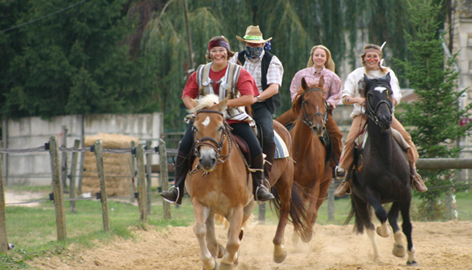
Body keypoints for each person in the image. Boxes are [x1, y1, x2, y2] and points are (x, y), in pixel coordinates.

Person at [160, 36, 274, 204]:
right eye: (214, 51)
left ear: (227, 53)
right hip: (205, 120)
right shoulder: (200, 72)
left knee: (255, 147)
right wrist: (195, 109)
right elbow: (187, 95)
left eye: (221, 50)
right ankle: (177, 188)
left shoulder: (238, 72)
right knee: (184, 146)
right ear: (209, 53)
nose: (217, 54)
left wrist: (223, 105)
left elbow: (249, 97)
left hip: (233, 118)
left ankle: (259, 186)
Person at [334, 43, 428, 197]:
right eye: (368, 56)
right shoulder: (355, 75)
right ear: (364, 58)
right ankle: (347, 178)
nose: (371, 59)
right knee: (350, 142)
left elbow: (396, 94)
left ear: (380, 58)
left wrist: (389, 104)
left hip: (385, 114)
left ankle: (413, 173)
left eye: (374, 56)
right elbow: (345, 97)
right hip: (363, 115)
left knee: (405, 137)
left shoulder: (389, 73)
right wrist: (358, 99)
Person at [230, 25, 284, 184]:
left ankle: (264, 177)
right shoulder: (236, 58)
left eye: (256, 45)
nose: (252, 48)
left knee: (267, 134)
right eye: (249, 45)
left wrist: (255, 98)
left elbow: (274, 88)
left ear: (262, 45)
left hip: (259, 104)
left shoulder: (272, 60)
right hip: (237, 103)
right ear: (245, 45)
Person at [278, 45, 343, 168]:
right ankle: (271, 159)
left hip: (322, 112)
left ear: (326, 59)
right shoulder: (301, 74)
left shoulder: (333, 77)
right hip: (302, 109)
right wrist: (299, 103)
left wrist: (325, 104)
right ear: (312, 57)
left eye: (322, 56)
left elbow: (336, 95)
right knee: (276, 125)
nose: (319, 58)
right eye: (316, 55)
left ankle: (337, 165)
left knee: (336, 134)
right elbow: (294, 91)